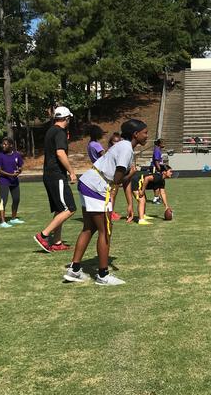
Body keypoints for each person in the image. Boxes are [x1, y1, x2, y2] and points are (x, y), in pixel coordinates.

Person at [63, 119, 149, 285]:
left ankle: (74, 270)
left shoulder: (121, 146)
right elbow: (117, 178)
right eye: (145, 133)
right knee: (105, 230)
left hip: (88, 183)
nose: (147, 136)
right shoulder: (126, 148)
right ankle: (103, 275)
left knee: (89, 228)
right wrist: (131, 174)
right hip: (97, 188)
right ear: (135, 134)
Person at [34, 106, 78, 252]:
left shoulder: (50, 131)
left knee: (60, 210)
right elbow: (60, 153)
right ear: (66, 118)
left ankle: (57, 242)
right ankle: (43, 235)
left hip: (49, 174)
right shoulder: (59, 132)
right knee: (70, 208)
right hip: (56, 175)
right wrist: (71, 171)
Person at [0, 137, 24, 228]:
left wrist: (19, 171)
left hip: (14, 181)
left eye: (5, 144)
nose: (3, 146)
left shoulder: (17, 155)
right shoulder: (0, 156)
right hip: (4, 181)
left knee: (16, 199)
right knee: (3, 200)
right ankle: (2, 222)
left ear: (11, 145)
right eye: (2, 144)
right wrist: (10, 175)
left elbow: (20, 166)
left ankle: (13, 218)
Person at [151, 139, 165, 204]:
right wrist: (159, 169)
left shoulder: (158, 150)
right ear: (159, 144)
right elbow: (156, 161)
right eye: (163, 143)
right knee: (157, 183)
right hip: (155, 168)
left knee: (158, 183)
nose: (164, 144)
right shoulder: (157, 150)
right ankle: (155, 198)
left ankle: (158, 197)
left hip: (157, 168)